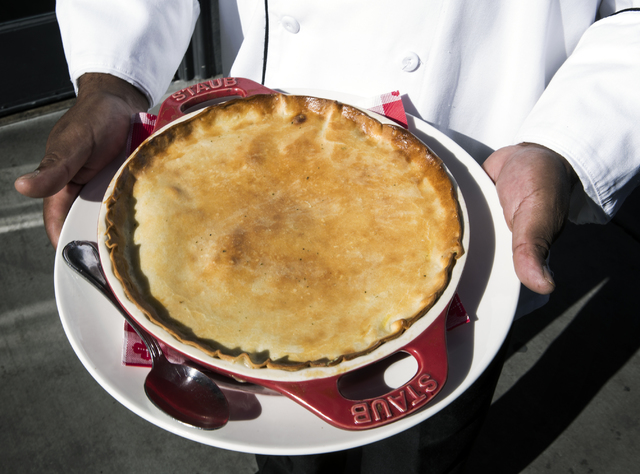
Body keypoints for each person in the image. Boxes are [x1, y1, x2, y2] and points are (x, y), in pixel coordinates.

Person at [14, 1, 640, 472]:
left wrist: (566, 144)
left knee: (430, 443)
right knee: (286, 454)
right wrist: (113, 78)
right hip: (244, 149)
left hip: (481, 174)